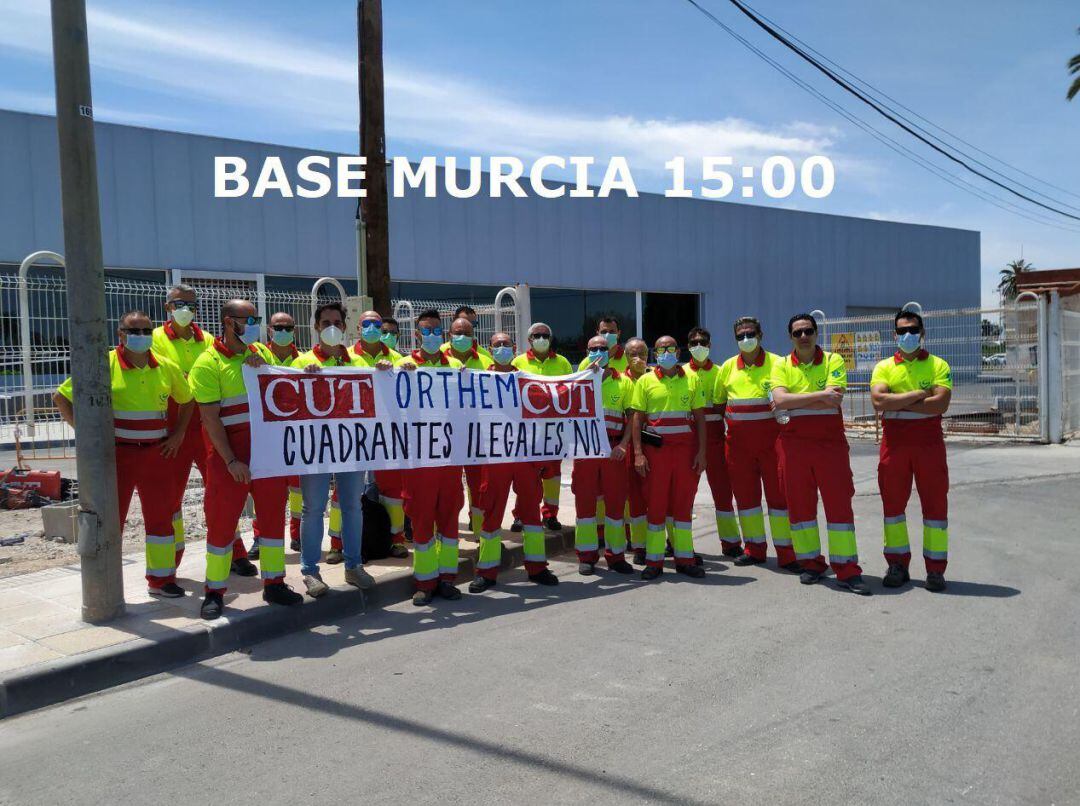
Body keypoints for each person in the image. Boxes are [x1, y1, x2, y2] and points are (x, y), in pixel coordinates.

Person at [54, 310, 193, 597]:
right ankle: (104, 583)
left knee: (160, 518)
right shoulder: (103, 364)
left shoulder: (166, 366)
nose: (141, 337)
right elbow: (61, 397)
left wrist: (178, 433)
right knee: (110, 520)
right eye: (134, 331)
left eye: (146, 331)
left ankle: (161, 580)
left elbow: (188, 399)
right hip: (117, 458)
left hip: (157, 455)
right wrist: (86, 434)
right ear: (120, 334)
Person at [188, 299, 303, 619]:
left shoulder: (261, 354)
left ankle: (275, 583)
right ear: (229, 322)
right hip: (230, 460)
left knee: (270, 522)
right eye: (248, 319)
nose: (254, 325)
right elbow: (210, 420)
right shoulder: (207, 364)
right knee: (221, 526)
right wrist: (230, 462)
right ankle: (214, 590)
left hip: (267, 456)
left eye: (257, 319)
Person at [150, 285, 254, 577]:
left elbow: (205, 378)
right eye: (179, 303)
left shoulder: (206, 339)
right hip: (173, 429)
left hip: (208, 426)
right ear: (167, 306)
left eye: (191, 305)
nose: (186, 309)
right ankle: (166, 568)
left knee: (222, 493)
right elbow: (164, 379)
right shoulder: (155, 339)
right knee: (170, 499)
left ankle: (235, 553)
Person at [770, 314, 871, 595]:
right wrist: (819, 395)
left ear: (816, 333)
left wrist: (795, 400)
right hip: (793, 447)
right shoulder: (780, 364)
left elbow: (835, 396)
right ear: (790, 336)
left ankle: (847, 569)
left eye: (808, 331)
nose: (804, 336)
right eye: (798, 332)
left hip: (830, 447)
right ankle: (811, 564)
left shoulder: (832, 361)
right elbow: (779, 400)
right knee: (800, 508)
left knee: (839, 507)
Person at [291, 303, 375, 597]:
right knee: (313, 508)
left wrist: (387, 372)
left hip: (351, 448)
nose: (332, 327)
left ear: (345, 327)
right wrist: (304, 378)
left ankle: (353, 566)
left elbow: (377, 391)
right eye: (326, 322)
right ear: (316, 327)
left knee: (352, 506)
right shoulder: (300, 362)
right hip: (315, 449)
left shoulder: (359, 363)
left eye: (337, 322)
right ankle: (310, 572)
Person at [870, 309, 953, 592]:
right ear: (894, 335)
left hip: (929, 446)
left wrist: (898, 400)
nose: (908, 335)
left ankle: (935, 570)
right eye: (902, 330)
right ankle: (897, 565)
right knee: (892, 508)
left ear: (922, 333)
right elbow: (879, 400)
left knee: (935, 509)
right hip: (894, 446)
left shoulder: (938, 365)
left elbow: (940, 404)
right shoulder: (883, 367)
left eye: (913, 330)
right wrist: (920, 394)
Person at [470, 332, 557, 591]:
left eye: (506, 345)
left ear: (514, 347)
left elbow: (545, 413)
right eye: (496, 345)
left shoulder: (527, 379)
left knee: (531, 511)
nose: (501, 348)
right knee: (491, 512)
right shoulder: (478, 379)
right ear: (489, 348)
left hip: (525, 455)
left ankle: (537, 567)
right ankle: (486, 572)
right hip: (495, 456)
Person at [395, 309, 466, 606]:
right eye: (428, 330)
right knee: (422, 521)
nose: (434, 336)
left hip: (449, 458)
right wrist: (391, 372)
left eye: (438, 331)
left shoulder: (456, 366)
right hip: (420, 459)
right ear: (416, 334)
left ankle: (447, 578)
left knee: (449, 520)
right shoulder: (405, 365)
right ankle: (424, 582)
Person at [715, 317, 797, 569]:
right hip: (739, 449)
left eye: (750, 334)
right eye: (740, 336)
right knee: (747, 501)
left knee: (780, 500)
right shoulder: (727, 367)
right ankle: (754, 549)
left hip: (773, 446)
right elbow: (719, 405)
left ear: (760, 334)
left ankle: (787, 553)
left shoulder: (779, 364)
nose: (745, 340)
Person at [629, 335, 708, 580]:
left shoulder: (692, 379)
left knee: (683, 507)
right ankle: (654, 562)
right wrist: (638, 453)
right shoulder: (646, 381)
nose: (666, 353)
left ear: (678, 351)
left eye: (671, 348)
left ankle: (685, 559)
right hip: (657, 455)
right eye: (661, 349)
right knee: (656, 507)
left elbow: (700, 419)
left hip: (685, 454)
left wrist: (702, 452)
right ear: (655, 354)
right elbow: (637, 419)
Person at [338, 310, 408, 560]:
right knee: (345, 490)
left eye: (377, 324)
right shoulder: (345, 357)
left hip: (386, 432)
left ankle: (396, 539)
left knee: (393, 491)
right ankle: (338, 543)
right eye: (366, 324)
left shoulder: (398, 358)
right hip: (353, 432)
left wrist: (404, 370)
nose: (372, 328)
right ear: (358, 328)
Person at [572, 335, 635, 575]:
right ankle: (586, 556)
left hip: (614, 450)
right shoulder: (578, 380)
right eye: (593, 348)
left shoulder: (624, 383)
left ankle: (616, 556)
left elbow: (632, 417)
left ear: (610, 352)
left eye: (602, 348)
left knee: (616, 505)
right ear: (586, 352)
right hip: (585, 451)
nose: (599, 351)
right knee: (585, 504)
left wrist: (624, 446)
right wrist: (584, 379)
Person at [683, 326, 741, 560]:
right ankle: (678, 542)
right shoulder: (680, 372)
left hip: (717, 438)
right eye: (694, 342)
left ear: (710, 345)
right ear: (688, 346)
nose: (699, 346)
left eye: (703, 342)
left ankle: (730, 542)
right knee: (684, 495)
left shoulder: (721, 371)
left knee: (723, 493)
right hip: (688, 440)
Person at [249, 311, 302, 561]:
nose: (283, 331)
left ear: (294, 331)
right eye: (278, 327)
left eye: (287, 327)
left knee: (298, 489)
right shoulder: (256, 354)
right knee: (266, 491)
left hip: (297, 434)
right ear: (269, 330)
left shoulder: (303, 360)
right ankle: (260, 537)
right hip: (268, 435)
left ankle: (298, 534)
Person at [512, 322, 573, 532]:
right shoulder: (518, 361)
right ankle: (520, 515)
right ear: (529, 339)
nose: (541, 338)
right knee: (526, 477)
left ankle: (550, 515)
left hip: (555, 430)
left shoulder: (563, 362)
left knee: (553, 477)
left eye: (545, 335)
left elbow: (571, 390)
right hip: (527, 431)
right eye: (537, 335)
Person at [448, 316, 494, 536]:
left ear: (473, 337)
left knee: (479, 486)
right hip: (447, 437)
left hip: (478, 437)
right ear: (449, 336)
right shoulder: (439, 359)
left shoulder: (486, 363)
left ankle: (479, 531)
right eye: (457, 333)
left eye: (467, 333)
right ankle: (447, 531)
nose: (462, 337)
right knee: (450, 488)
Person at [622, 337, 651, 563]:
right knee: (635, 497)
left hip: (657, 444)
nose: (638, 358)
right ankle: (640, 546)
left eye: (642, 353)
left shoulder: (657, 378)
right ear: (625, 356)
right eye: (633, 354)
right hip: (630, 446)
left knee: (659, 495)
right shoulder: (620, 380)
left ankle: (665, 541)